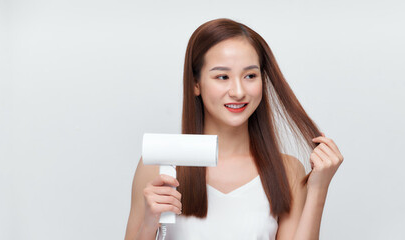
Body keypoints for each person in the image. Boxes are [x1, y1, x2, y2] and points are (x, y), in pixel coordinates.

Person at [124, 18, 344, 240]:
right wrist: (149, 224)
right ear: (195, 83)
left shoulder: (287, 171)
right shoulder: (158, 166)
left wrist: (318, 189)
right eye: (222, 76)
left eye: (250, 75)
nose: (238, 91)